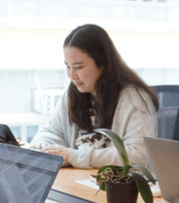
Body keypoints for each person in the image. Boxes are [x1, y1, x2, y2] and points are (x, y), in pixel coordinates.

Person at [29, 24, 158, 168]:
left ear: (102, 63)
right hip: (78, 180)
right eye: (68, 66)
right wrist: (41, 147)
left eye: (78, 67)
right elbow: (51, 131)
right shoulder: (74, 93)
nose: (72, 75)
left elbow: (139, 155)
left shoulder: (134, 99)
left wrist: (74, 156)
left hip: (114, 185)